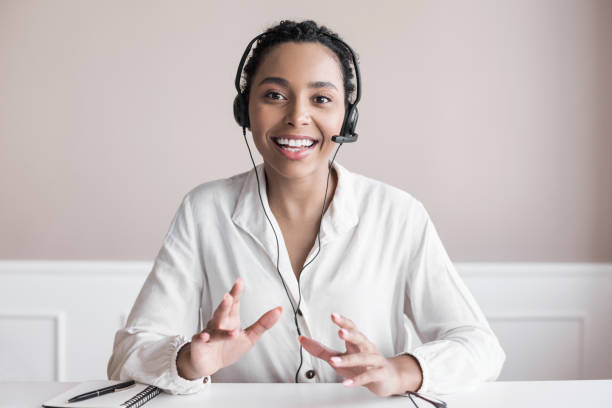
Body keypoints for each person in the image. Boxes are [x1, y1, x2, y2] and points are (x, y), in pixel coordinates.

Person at [107, 19, 506, 398]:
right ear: (245, 110)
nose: (297, 116)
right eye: (275, 95)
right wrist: (189, 361)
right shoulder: (203, 210)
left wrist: (399, 371)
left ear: (347, 115)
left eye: (321, 99)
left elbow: (480, 346)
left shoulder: (398, 213)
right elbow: (128, 353)